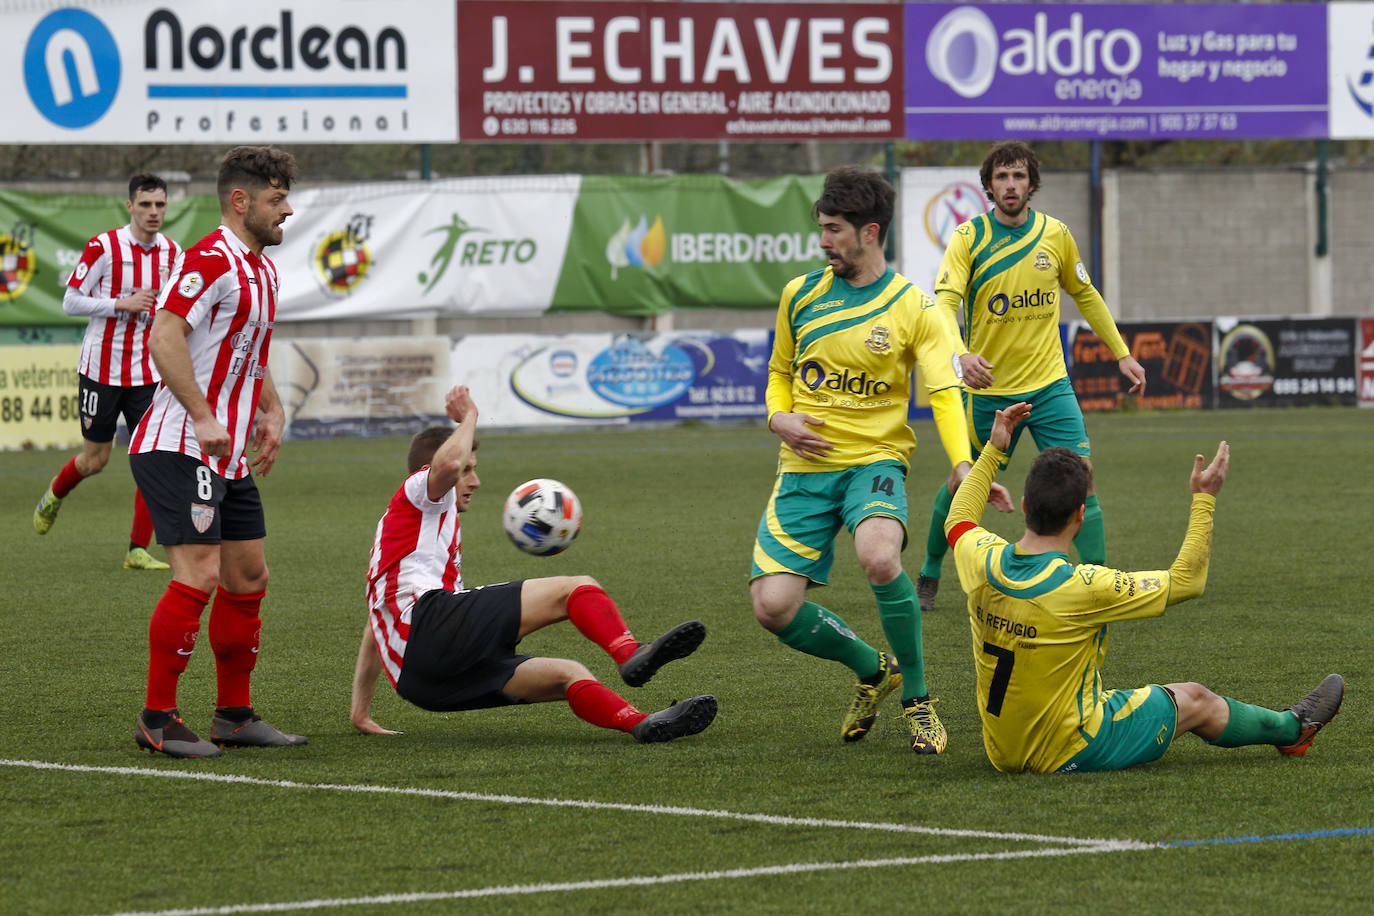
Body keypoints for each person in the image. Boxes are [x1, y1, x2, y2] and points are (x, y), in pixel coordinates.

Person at [749, 165, 1012, 756]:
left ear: (870, 232)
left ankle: (917, 699)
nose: (824, 241)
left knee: (878, 557)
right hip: (804, 469)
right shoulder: (800, 295)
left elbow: (944, 391)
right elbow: (779, 374)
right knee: (772, 608)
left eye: (835, 229)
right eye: (821, 228)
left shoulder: (914, 307)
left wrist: (964, 461)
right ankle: (875, 670)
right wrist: (777, 417)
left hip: (876, 461)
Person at [944, 401, 1344, 773]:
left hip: (1001, 751)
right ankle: (1293, 730)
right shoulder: (1084, 586)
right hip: (1072, 747)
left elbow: (958, 518)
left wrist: (994, 450)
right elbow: (1187, 581)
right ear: (1081, 515)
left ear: (1026, 505)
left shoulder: (982, 558)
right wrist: (1204, 499)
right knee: (1194, 698)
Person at [351, 385, 717, 744]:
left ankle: (640, 722)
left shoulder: (410, 540)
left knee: (566, 674)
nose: (475, 481)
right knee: (573, 588)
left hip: (420, 683)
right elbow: (447, 462)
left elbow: (375, 626)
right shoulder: (418, 493)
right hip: (430, 630)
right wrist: (470, 416)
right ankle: (629, 653)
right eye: (469, 470)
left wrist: (360, 712)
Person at [916, 140, 1147, 612]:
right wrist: (961, 355)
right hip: (990, 392)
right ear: (989, 186)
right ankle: (929, 571)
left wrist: (1121, 352)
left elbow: (1085, 294)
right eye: (1001, 177)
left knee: (1083, 475)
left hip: (1049, 386)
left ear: (1032, 183)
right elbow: (943, 304)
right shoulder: (968, 239)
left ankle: (1097, 580)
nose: (1010, 185)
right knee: (963, 484)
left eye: (1019, 176)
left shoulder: (1054, 235)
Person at [127, 147, 305, 758]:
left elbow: (249, 353)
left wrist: (271, 407)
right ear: (241, 201)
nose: (288, 210)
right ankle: (158, 718)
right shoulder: (209, 259)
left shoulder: (264, 269)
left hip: (223, 454)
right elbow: (164, 333)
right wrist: (203, 416)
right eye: (277, 199)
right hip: (179, 445)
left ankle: (233, 715)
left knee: (248, 575)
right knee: (198, 574)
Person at [33, 173, 179, 570]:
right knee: (95, 460)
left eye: (160, 205)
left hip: (148, 372)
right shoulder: (104, 246)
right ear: (129, 206)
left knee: (152, 458)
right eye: (145, 204)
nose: (153, 212)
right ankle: (54, 495)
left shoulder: (172, 252)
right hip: (102, 369)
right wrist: (121, 304)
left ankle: (137, 549)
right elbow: (70, 302)